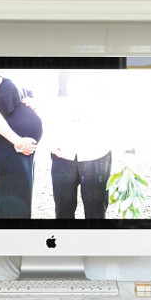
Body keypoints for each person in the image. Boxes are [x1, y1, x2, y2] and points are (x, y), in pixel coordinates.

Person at [48, 73, 112, 220]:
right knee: (63, 207)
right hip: (63, 154)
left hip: (96, 154)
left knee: (96, 209)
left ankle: (93, 241)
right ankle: (66, 240)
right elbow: (46, 109)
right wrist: (50, 141)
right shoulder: (58, 77)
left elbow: (115, 111)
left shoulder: (101, 78)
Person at [0, 72, 43, 220]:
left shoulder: (15, 71)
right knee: (7, 191)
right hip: (9, 143)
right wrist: (18, 141)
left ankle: (19, 234)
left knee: (21, 192)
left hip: (24, 147)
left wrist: (34, 106)